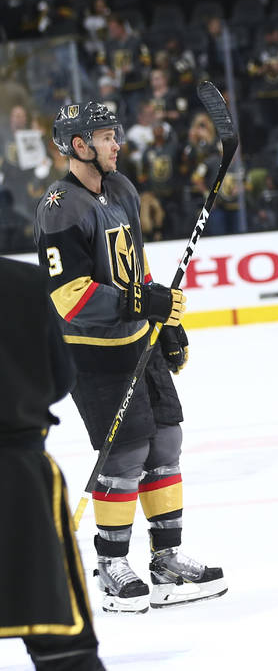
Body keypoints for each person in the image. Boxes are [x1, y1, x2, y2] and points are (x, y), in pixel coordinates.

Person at [34, 102, 225, 614]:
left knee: (166, 440)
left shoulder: (121, 190)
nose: (116, 143)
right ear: (79, 146)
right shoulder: (59, 207)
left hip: (137, 339)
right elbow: (69, 297)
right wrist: (139, 303)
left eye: (115, 133)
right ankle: (113, 566)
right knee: (124, 455)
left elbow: (133, 268)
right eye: (105, 136)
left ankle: (166, 559)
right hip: (93, 352)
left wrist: (165, 319)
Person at [0, 257, 106, 670]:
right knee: (64, 645)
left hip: (20, 467)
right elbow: (61, 378)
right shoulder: (25, 282)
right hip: (19, 476)